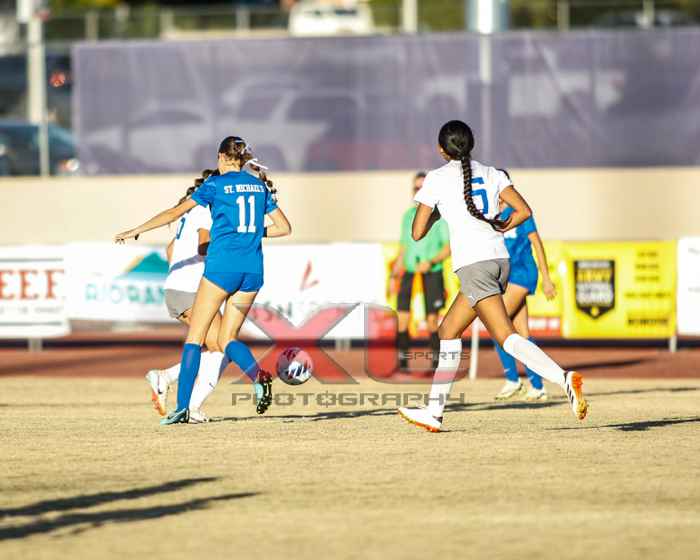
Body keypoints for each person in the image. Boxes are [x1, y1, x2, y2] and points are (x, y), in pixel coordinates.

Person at [398, 120, 587, 432]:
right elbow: (524, 211)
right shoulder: (492, 173)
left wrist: (437, 212)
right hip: (499, 261)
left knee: (506, 337)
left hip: (475, 265)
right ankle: (434, 412)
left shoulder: (437, 178)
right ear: (471, 144)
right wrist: (501, 225)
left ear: (441, 149)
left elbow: (417, 232)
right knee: (448, 330)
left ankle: (563, 377)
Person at [116, 136, 291, 425]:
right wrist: (251, 233)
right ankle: (258, 377)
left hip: (222, 268)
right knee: (227, 339)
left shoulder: (215, 184)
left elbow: (174, 212)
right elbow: (284, 228)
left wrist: (136, 230)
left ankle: (182, 408)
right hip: (253, 270)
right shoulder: (259, 186)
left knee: (195, 339)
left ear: (221, 156)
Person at [144, 169, 225, 423]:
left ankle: (174, 385)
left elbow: (170, 250)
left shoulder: (190, 212)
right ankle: (187, 402)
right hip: (192, 290)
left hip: (180, 289)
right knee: (224, 346)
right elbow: (204, 246)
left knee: (219, 347)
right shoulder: (206, 210)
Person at [492, 169, 557, 402]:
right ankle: (537, 386)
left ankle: (512, 380)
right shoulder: (492, 214)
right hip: (508, 277)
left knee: (497, 325)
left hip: (522, 273)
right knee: (522, 334)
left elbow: (536, 243)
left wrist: (546, 278)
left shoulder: (519, 210)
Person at [391, 171, 450, 371]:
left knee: (432, 319)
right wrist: (395, 272)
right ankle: (402, 363)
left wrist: (431, 261)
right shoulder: (408, 216)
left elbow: (448, 247)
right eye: (416, 188)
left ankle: (436, 362)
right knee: (402, 317)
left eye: (422, 188)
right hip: (409, 271)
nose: (418, 191)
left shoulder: (439, 216)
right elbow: (404, 246)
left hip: (431, 272)